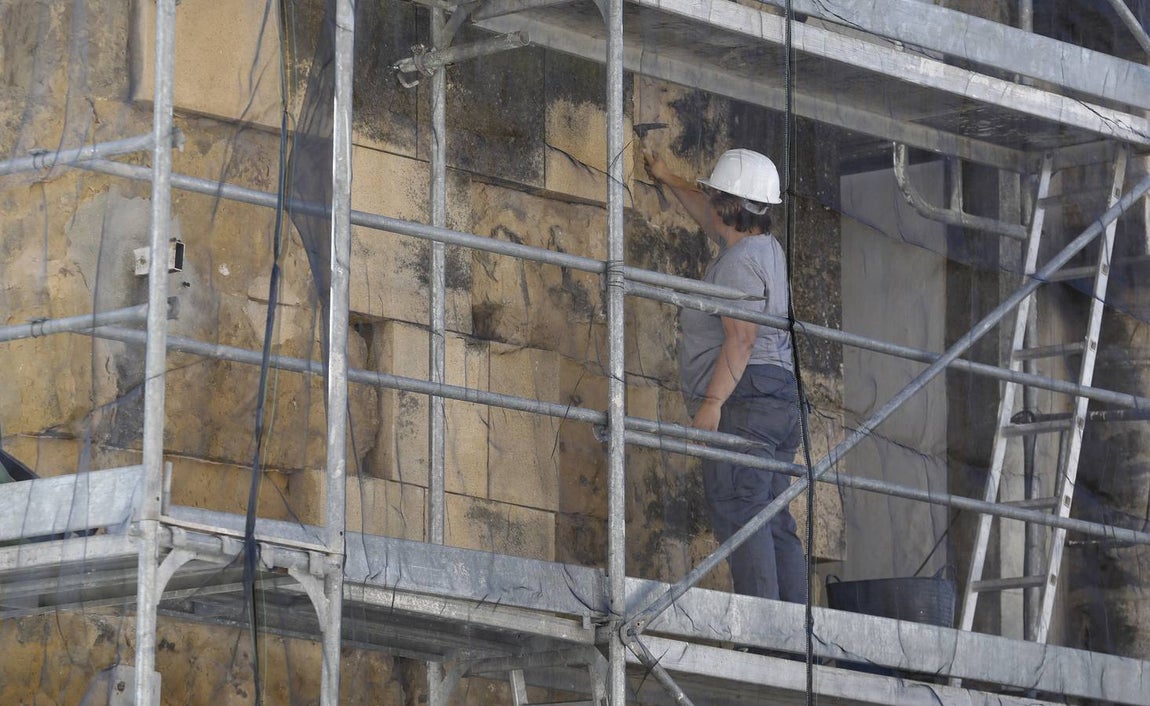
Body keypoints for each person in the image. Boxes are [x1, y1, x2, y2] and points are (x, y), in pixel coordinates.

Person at [644, 147, 805, 603]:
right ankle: (791, 637)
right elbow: (708, 220)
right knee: (771, 514)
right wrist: (669, 178)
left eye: (714, 194)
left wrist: (711, 406)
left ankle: (764, 636)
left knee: (741, 507)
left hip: (744, 397)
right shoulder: (761, 248)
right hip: (778, 397)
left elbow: (741, 340)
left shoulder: (736, 265)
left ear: (728, 204)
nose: (708, 200)